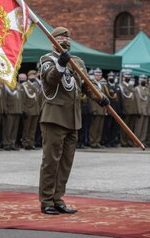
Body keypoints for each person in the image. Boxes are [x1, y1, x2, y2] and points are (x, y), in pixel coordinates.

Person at [38, 27, 109, 215]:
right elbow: (51, 79)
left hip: (73, 119)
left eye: (67, 37)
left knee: (66, 162)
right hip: (54, 117)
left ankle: (58, 198)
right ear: (52, 40)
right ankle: (46, 201)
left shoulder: (77, 62)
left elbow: (87, 84)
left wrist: (100, 96)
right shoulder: (47, 60)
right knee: (51, 161)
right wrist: (60, 64)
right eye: (60, 37)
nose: (64, 40)